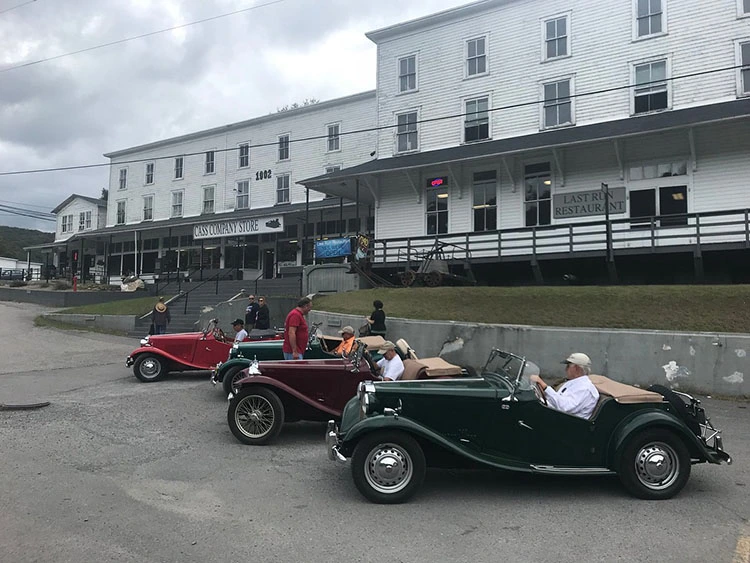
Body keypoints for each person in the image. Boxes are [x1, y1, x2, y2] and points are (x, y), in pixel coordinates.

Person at [529, 353, 600, 420]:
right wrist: (540, 398)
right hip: (559, 417)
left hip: (571, 425)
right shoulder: (572, 382)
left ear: (577, 368)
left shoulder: (585, 388)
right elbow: (556, 402)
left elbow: (564, 407)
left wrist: (544, 385)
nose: (566, 369)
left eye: (568, 366)